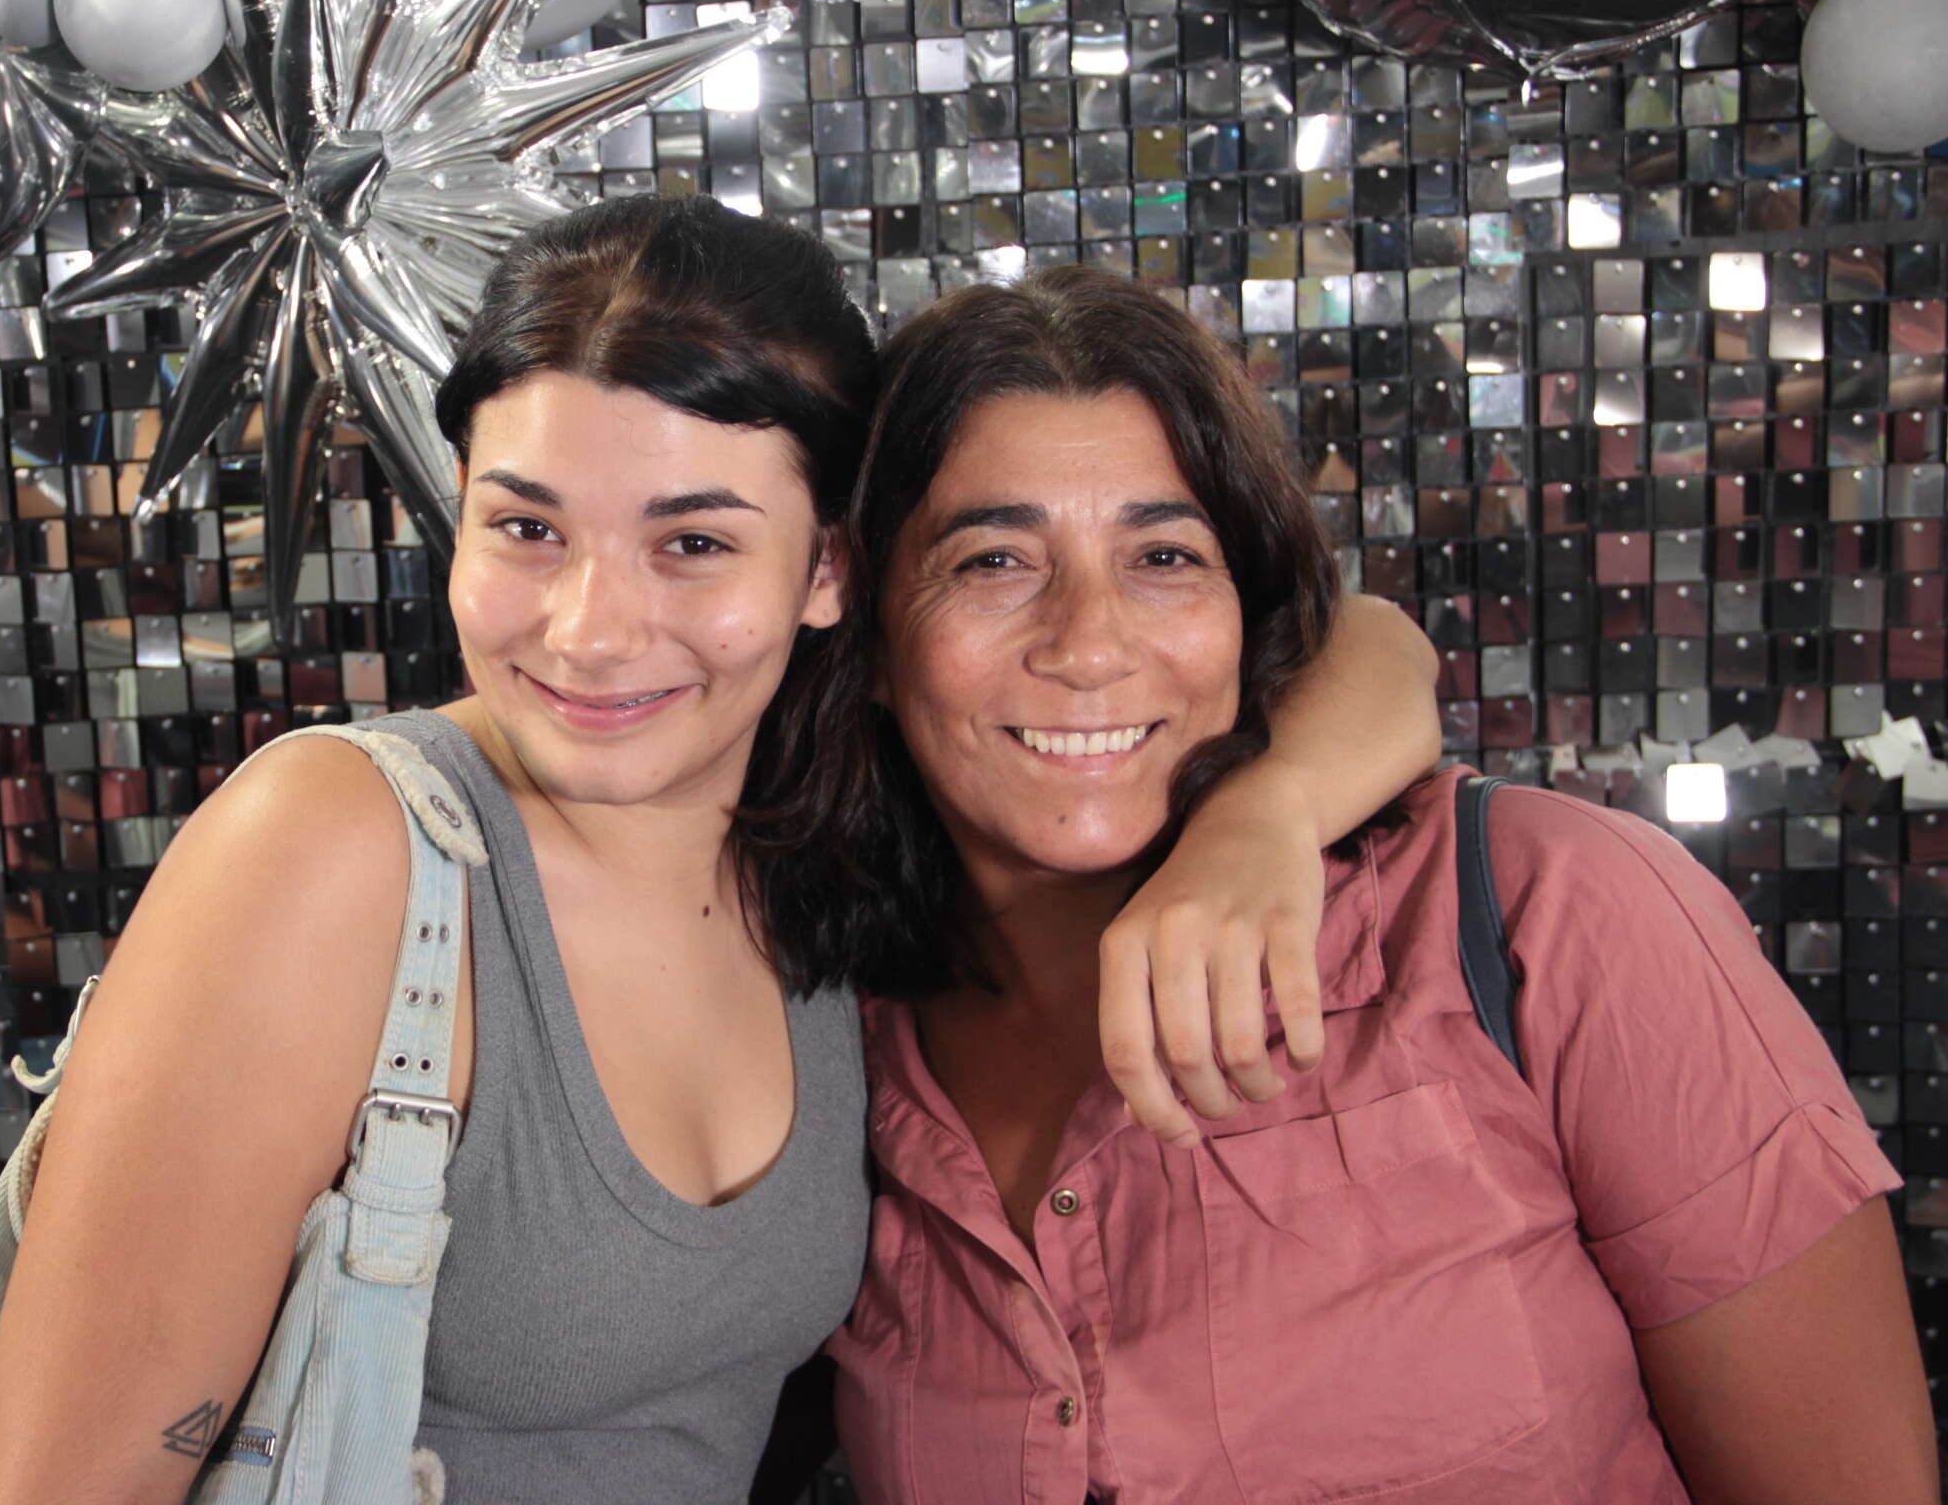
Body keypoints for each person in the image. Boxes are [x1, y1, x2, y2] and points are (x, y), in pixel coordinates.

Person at [0, 198, 1442, 1505]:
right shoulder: (340, 849)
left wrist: (1259, 818)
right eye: (526, 529)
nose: (592, 630)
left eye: (693, 543)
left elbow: (1363, 642)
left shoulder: (831, 854)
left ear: (829, 570)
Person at [803, 264, 1937, 1504]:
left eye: (1165, 556)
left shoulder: (1554, 912)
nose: (1087, 645)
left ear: (1251, 612)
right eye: (991, 562)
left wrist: (1269, 811)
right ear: (868, 630)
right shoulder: (829, 1049)